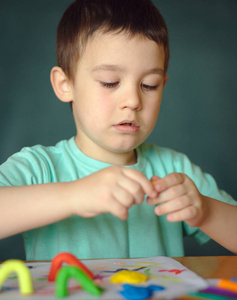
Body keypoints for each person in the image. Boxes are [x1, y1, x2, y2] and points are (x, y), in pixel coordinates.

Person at [0, 0, 237, 261]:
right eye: (110, 82)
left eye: (149, 85)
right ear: (65, 84)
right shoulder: (40, 167)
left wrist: (207, 212)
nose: (133, 101)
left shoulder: (174, 171)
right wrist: (73, 195)